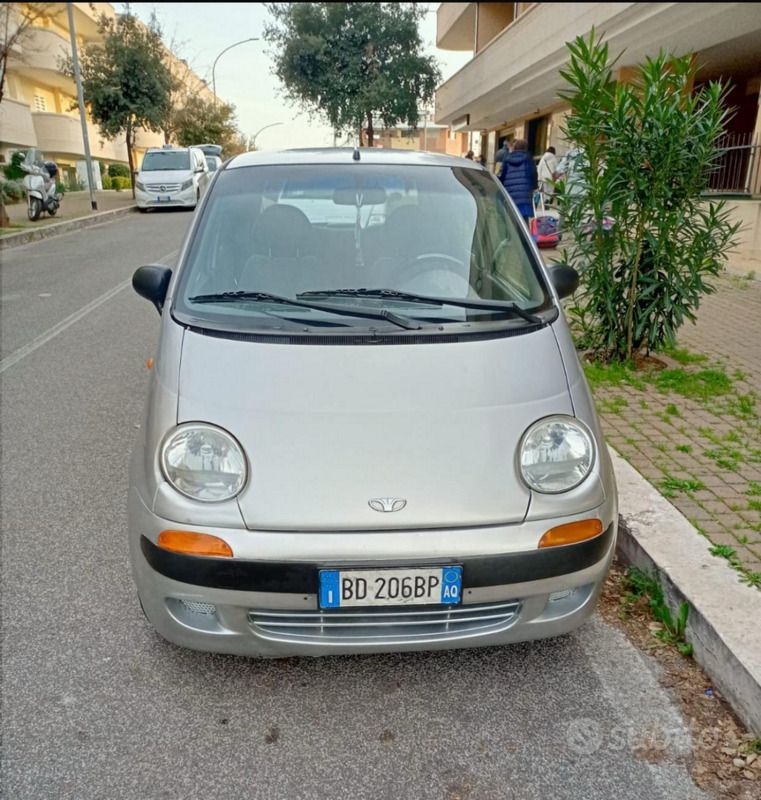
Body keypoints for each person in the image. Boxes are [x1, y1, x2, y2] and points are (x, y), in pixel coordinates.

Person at [500, 138, 537, 225]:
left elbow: (502, 176)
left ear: (514, 147)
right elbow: (533, 174)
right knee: (523, 220)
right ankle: (523, 237)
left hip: (510, 192)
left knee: (510, 218)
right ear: (525, 148)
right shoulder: (528, 159)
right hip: (524, 193)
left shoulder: (507, 159)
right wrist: (534, 186)